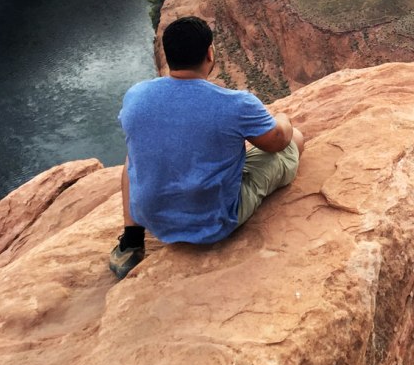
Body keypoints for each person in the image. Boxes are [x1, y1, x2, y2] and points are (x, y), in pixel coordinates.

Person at [109, 15, 304, 279]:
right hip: (215, 221)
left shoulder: (136, 95)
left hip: (154, 219)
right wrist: (284, 119)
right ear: (210, 54)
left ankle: (132, 239)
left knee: (132, 155)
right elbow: (277, 142)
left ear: (168, 56)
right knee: (295, 141)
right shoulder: (236, 104)